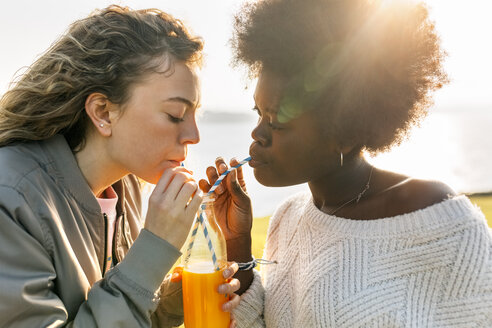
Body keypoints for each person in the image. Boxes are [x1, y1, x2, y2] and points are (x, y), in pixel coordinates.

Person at [200, 0, 492, 327]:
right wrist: (237, 242)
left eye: (277, 121)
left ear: (345, 131)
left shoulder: (441, 223)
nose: (257, 133)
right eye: (259, 113)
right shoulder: (287, 219)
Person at [0, 5, 240, 327]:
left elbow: (117, 309)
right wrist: (155, 247)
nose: (194, 136)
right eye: (174, 116)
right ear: (103, 112)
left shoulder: (126, 189)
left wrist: (183, 293)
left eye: (195, 114)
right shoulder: (11, 199)